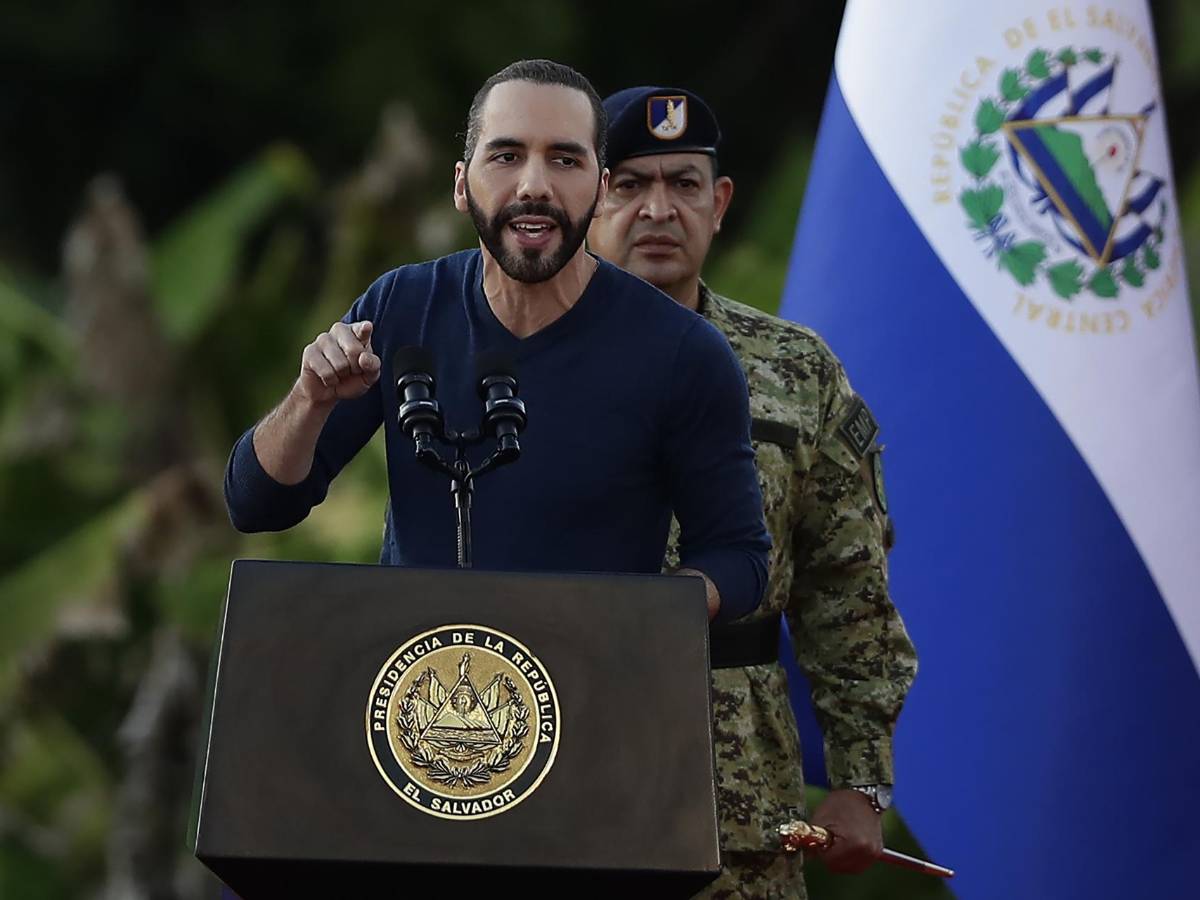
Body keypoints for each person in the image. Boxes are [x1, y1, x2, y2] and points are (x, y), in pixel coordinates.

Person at [224, 61, 770, 629]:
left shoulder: (683, 351)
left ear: (602, 189)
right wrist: (309, 401)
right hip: (422, 697)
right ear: (462, 185)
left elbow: (738, 558)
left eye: (565, 159)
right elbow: (257, 504)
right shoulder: (403, 306)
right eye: (507, 156)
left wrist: (629, 618)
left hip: (590, 691)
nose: (534, 185)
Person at [587, 86, 919, 899]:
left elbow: (849, 586)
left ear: (720, 202)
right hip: (562, 760)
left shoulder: (795, 371)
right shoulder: (520, 356)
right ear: (587, 200)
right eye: (629, 185)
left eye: (683, 184)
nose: (658, 209)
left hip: (735, 789)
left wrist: (861, 779)